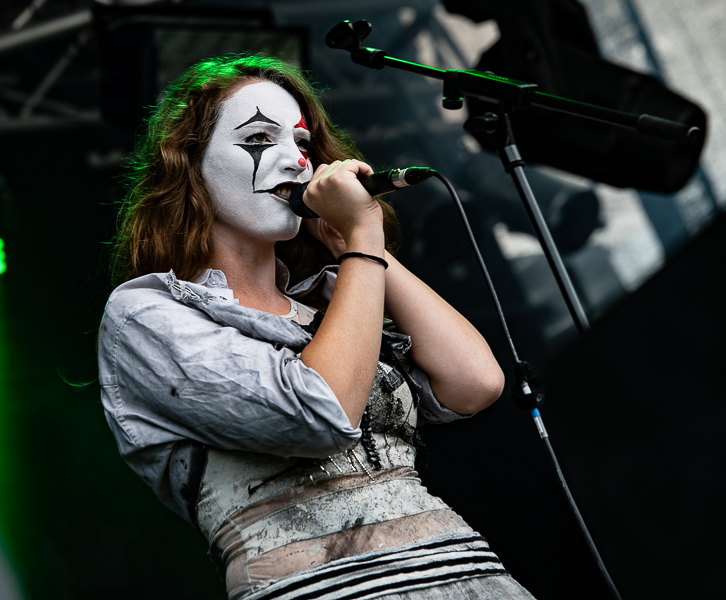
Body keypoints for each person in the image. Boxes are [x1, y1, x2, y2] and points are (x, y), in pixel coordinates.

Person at [98, 54, 536, 600]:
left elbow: (474, 382)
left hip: (468, 576)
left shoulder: (332, 301)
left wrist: (360, 242)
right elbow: (322, 413)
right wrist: (363, 239)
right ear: (190, 163)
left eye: (303, 144)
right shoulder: (146, 314)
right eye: (259, 138)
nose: (295, 161)